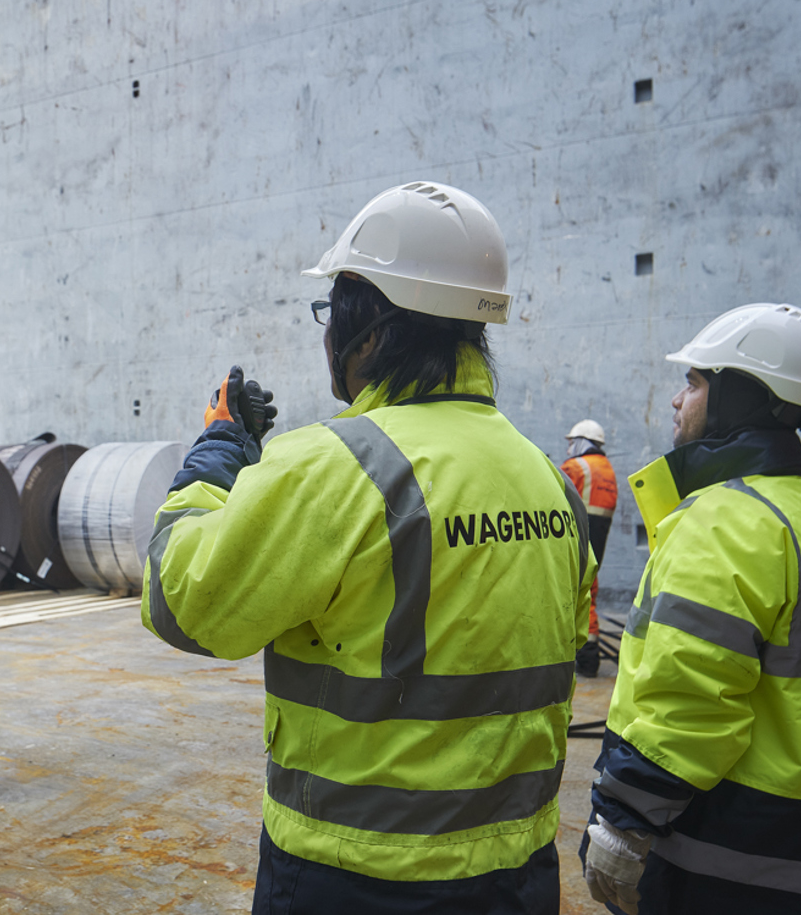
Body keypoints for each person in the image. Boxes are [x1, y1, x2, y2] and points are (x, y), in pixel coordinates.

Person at [142, 181, 594, 913]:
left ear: (372, 330)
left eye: (335, 313)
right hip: (517, 872)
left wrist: (217, 458)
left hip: (353, 873)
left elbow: (184, 603)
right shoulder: (546, 478)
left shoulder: (334, 465)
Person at [579, 304, 801, 915]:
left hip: (719, 854)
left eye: (695, 382)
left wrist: (623, 819)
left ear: (739, 396)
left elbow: (689, 698)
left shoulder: (724, 521)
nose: (679, 401)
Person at [562, 419, 617, 677]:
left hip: (575, 537)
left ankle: (583, 657)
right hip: (598, 536)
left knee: (566, 592)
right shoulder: (607, 469)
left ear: (582, 442)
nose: (569, 448)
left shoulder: (575, 467)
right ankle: (589, 657)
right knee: (589, 592)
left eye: (572, 443)